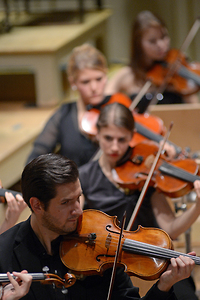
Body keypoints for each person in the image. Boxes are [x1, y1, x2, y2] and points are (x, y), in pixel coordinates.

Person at [0, 153, 196, 300]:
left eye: (78, 198)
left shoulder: (100, 242)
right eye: (66, 203)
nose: (78, 210)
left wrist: (164, 285)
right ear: (37, 205)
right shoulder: (4, 252)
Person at [79, 102, 200, 300]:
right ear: (97, 133)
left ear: (132, 136)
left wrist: (198, 207)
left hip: (154, 261)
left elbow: (170, 229)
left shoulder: (148, 169)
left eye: (122, 139)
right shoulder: (84, 177)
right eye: (108, 138)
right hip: (109, 268)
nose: (115, 147)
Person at [26, 43, 176, 166]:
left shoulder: (120, 103)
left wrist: (159, 146)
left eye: (99, 79)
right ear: (73, 83)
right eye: (85, 82)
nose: (94, 87)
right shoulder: (63, 115)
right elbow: (36, 157)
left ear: (106, 76)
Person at [105, 11, 199, 113]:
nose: (161, 45)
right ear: (138, 44)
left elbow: (194, 111)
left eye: (163, 37)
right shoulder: (127, 75)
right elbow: (105, 103)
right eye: (152, 41)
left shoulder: (176, 72)